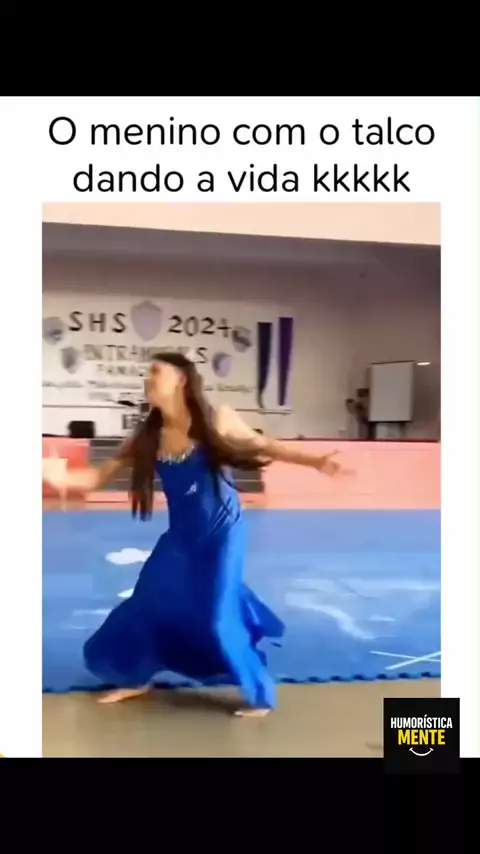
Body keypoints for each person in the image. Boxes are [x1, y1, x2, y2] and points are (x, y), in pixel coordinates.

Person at [43, 352, 352, 717]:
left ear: (181, 379)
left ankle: (260, 695)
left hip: (223, 536)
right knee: (147, 604)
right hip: (180, 539)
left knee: (219, 617)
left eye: (156, 372)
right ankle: (136, 676)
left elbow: (267, 446)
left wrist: (316, 461)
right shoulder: (147, 436)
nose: (148, 379)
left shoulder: (216, 420)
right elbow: (95, 478)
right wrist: (58, 476)